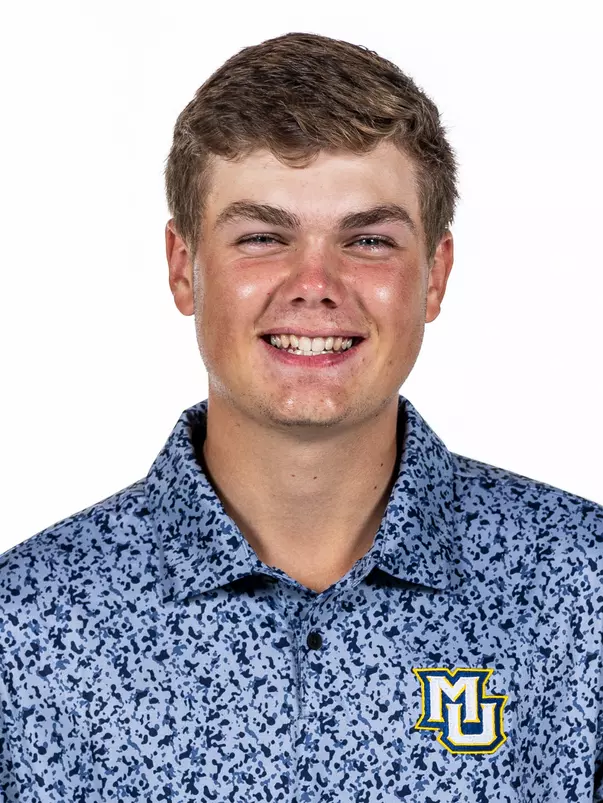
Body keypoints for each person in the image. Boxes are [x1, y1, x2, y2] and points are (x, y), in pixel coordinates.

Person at [0, 30, 601, 803]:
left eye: (369, 240)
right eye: (262, 237)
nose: (314, 283)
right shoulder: (26, 630)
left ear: (433, 276)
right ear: (184, 268)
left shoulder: (581, 595)